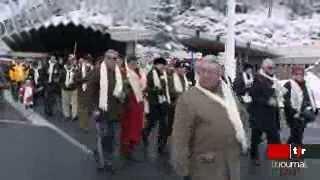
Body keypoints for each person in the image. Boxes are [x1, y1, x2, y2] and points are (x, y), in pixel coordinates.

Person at [171, 55, 247, 180]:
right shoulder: (188, 99)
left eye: (211, 72)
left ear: (219, 74)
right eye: (203, 71)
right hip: (204, 167)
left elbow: (243, 117)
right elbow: (180, 136)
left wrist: (243, 141)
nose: (206, 75)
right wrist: (183, 168)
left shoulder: (229, 95)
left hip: (231, 164)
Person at [86, 49, 124, 170]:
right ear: (106, 59)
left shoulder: (117, 72)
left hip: (114, 111)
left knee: (111, 136)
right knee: (104, 135)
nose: (115, 61)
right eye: (113, 59)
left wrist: (123, 94)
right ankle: (104, 159)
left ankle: (105, 157)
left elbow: (120, 89)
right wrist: (93, 108)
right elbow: (89, 92)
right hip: (101, 110)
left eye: (116, 59)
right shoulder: (97, 72)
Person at [249, 58, 284, 166]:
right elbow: (254, 96)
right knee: (256, 136)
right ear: (263, 68)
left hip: (271, 114)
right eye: (269, 67)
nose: (272, 69)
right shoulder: (258, 79)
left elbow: (280, 92)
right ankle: (254, 156)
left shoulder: (273, 79)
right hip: (259, 114)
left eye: (273, 67)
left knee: (274, 135)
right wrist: (267, 101)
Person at [119, 55, 147, 160]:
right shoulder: (124, 72)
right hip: (129, 103)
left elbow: (143, 86)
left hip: (138, 102)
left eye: (136, 62)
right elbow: (121, 89)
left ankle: (130, 149)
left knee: (136, 127)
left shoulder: (138, 72)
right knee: (127, 127)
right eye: (132, 62)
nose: (134, 64)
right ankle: (125, 151)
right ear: (128, 62)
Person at [142, 57, 170, 154]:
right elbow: (147, 89)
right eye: (161, 65)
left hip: (161, 103)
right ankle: (144, 135)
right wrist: (156, 90)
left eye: (164, 65)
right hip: (153, 103)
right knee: (151, 123)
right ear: (156, 65)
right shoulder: (151, 74)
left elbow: (164, 87)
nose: (163, 67)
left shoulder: (162, 74)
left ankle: (161, 145)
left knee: (163, 124)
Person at [283, 66, 318, 145]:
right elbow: (285, 100)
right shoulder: (287, 85)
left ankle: (283, 152)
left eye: (301, 74)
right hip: (293, 115)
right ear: (293, 75)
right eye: (297, 74)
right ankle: (297, 155)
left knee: (296, 135)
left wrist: (313, 109)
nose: (299, 76)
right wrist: (294, 112)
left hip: (303, 114)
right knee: (297, 136)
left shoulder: (305, 84)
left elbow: (309, 98)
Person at [167, 61, 189, 140]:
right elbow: (170, 91)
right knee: (170, 124)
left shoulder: (184, 78)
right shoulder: (171, 78)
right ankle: (164, 141)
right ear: (176, 69)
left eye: (184, 68)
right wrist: (179, 95)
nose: (183, 70)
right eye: (181, 68)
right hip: (174, 104)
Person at [76, 55, 94, 132]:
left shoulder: (93, 70)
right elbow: (76, 79)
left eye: (89, 61)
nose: (87, 63)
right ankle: (83, 125)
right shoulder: (79, 69)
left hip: (90, 93)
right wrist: (84, 80)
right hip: (81, 92)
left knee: (88, 110)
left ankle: (85, 124)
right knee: (82, 109)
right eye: (86, 61)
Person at [60, 55, 79, 121]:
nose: (69, 66)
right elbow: (61, 78)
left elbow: (78, 78)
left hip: (74, 88)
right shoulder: (63, 69)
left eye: (72, 60)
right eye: (68, 64)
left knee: (74, 103)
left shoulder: (75, 69)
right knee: (65, 103)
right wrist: (63, 85)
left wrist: (74, 77)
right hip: (65, 88)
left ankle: (74, 115)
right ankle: (67, 115)